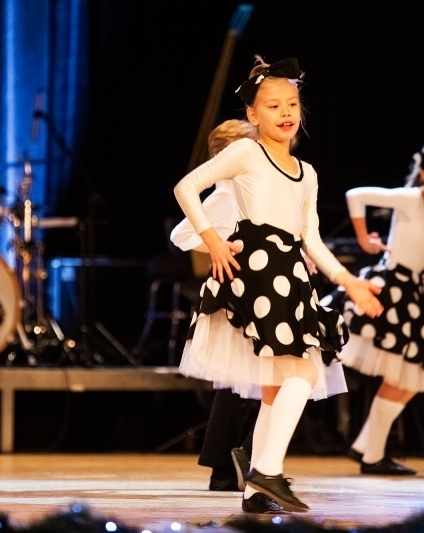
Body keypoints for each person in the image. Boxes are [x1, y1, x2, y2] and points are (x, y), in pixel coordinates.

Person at [173, 56, 383, 513]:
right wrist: (214, 241)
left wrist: (349, 281)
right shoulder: (247, 152)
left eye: (292, 104)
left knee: (276, 386)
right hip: (259, 269)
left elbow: (312, 240)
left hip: (290, 272)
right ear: (253, 114)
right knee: (303, 374)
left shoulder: (307, 173)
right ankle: (266, 471)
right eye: (273, 105)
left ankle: (255, 492)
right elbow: (186, 187)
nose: (285, 112)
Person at [337, 136, 424, 475]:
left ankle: (366, 447)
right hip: (393, 289)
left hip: (414, 295)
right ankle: (371, 455)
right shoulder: (411, 199)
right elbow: (356, 195)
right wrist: (364, 237)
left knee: (413, 378)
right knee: (402, 378)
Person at [170, 119, 263, 498]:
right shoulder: (226, 192)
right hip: (240, 292)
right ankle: (237, 461)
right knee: (249, 380)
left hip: (257, 288)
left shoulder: (248, 189)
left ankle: (228, 467)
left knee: (243, 382)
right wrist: (218, 247)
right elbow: (181, 234)